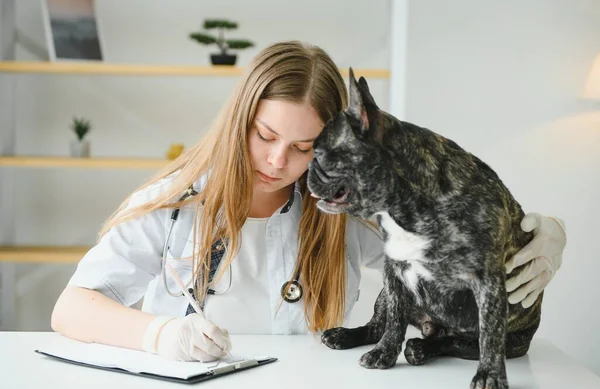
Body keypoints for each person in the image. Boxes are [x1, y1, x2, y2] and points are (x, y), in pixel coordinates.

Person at [51, 41, 567, 362]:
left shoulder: (345, 209)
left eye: (304, 149)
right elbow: (72, 309)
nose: (278, 162)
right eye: (264, 135)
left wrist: (539, 232)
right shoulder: (172, 202)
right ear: (239, 120)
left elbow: (451, 239)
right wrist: (160, 335)